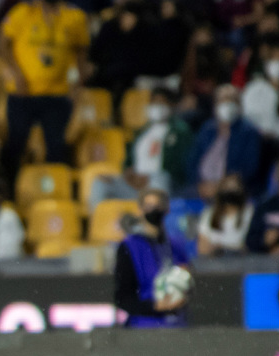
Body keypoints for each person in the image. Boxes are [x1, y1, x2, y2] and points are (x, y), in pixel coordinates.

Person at [0, 0, 90, 172]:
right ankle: (8, 182)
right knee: (16, 142)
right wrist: (16, 73)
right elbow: (3, 44)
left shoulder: (75, 16)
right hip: (23, 93)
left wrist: (78, 83)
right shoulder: (22, 12)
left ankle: (55, 184)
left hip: (57, 94)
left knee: (56, 146)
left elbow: (81, 51)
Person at [89, 88, 192, 211]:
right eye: (153, 103)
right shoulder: (142, 132)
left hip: (158, 181)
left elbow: (182, 163)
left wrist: (148, 176)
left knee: (161, 179)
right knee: (100, 182)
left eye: (161, 103)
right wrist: (128, 174)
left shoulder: (180, 131)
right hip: (134, 183)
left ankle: (155, 219)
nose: (157, 107)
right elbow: (128, 161)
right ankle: (100, 221)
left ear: (171, 105)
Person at [114, 188, 191, 328]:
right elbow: (123, 297)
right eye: (149, 206)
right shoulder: (130, 247)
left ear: (167, 209)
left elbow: (187, 282)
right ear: (140, 210)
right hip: (144, 326)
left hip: (176, 324)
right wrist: (154, 306)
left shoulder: (176, 245)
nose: (154, 211)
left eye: (158, 206)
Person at [187, 84, 263, 199]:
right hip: (202, 187)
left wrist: (221, 185)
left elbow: (250, 167)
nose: (227, 105)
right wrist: (200, 184)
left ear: (240, 105)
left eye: (231, 100)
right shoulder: (207, 129)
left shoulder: (248, 131)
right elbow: (192, 161)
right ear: (215, 105)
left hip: (232, 187)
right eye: (223, 100)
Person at [197, 173, 254, 256]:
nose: (230, 193)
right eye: (227, 188)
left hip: (241, 260)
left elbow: (250, 246)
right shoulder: (209, 213)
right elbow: (202, 248)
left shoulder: (250, 213)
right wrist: (217, 249)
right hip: (214, 260)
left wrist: (225, 248)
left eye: (234, 189)